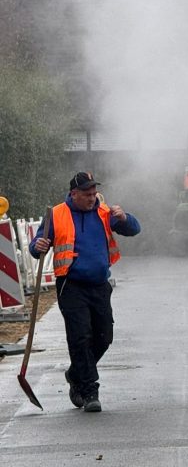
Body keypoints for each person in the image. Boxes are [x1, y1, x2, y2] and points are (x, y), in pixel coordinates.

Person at [30, 171, 141, 413]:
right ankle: (90, 391)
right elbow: (38, 245)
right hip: (71, 285)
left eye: (94, 193)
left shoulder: (104, 212)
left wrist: (124, 218)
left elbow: (134, 229)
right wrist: (36, 246)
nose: (93, 198)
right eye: (88, 194)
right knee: (80, 337)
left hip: (100, 285)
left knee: (104, 337)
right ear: (74, 194)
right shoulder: (56, 214)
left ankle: (76, 373)